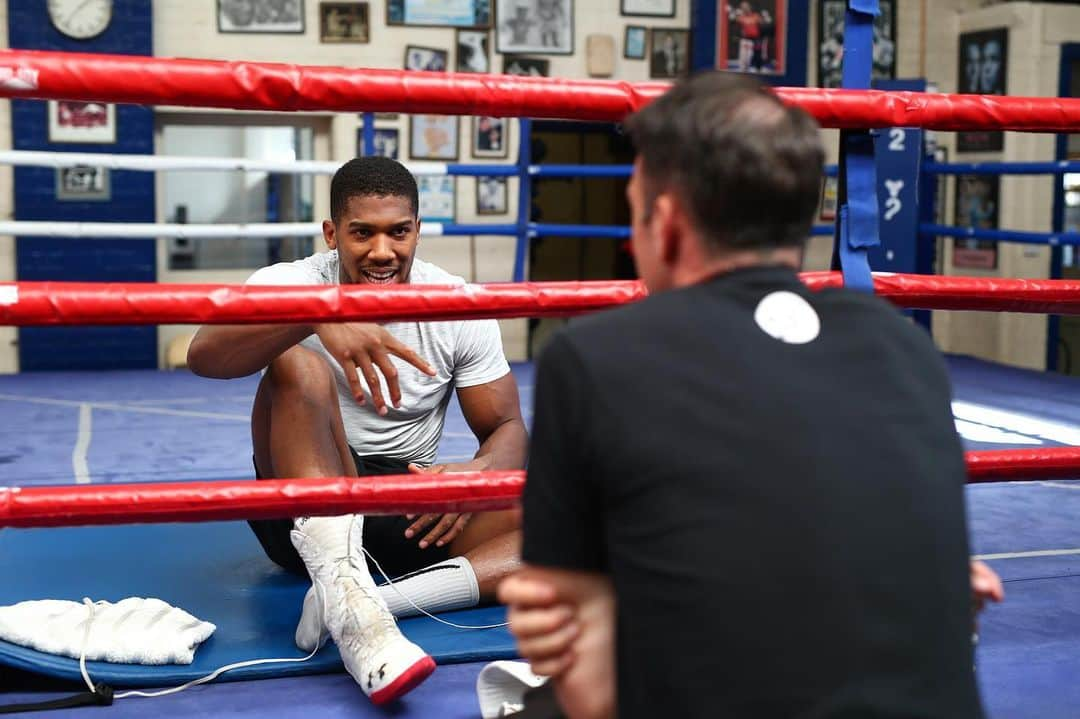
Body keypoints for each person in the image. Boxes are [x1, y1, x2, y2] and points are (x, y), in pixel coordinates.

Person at [499, 72, 1002, 718]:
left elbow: (593, 693)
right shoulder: (905, 349)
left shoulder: (594, 358)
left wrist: (601, 621)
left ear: (668, 223)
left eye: (634, 211)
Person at [187, 156, 528, 705]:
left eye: (398, 232)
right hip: (302, 503)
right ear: (332, 233)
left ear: (417, 229)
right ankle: (355, 612)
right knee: (299, 364)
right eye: (362, 233)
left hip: (403, 503)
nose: (382, 252)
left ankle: (359, 604)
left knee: (572, 521)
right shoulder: (291, 282)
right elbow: (205, 357)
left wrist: (478, 474)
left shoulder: (456, 304)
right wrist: (318, 314)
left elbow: (507, 426)